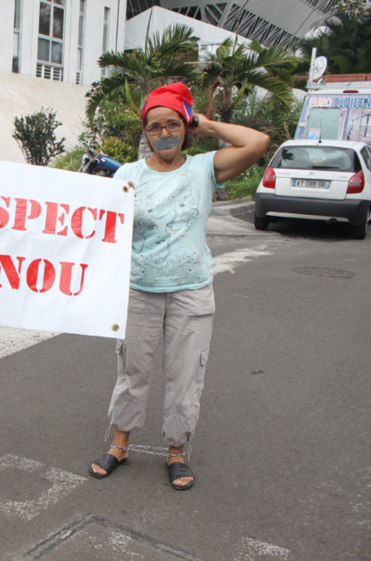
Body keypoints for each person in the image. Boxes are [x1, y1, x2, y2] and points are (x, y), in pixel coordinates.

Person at [87, 83, 269, 491]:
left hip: (191, 291)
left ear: (186, 127)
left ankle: (176, 452)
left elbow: (257, 143)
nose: (164, 133)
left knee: (185, 375)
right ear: (145, 133)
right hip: (139, 289)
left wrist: (205, 123)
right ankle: (119, 445)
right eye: (155, 127)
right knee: (132, 370)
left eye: (172, 124)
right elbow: (103, 225)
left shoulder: (204, 169)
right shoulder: (128, 174)